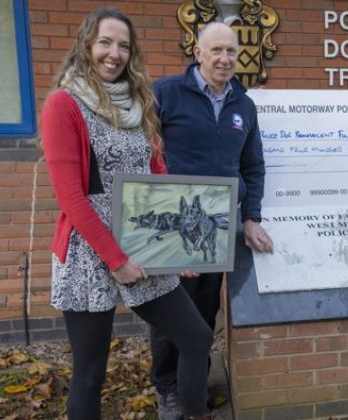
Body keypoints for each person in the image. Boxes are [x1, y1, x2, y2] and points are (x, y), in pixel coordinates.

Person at [40, 7, 215, 420]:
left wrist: (177, 248)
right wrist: (114, 259)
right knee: (89, 372)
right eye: (105, 42)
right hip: (89, 249)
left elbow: (157, 174)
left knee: (196, 337)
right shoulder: (63, 105)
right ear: (87, 44)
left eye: (123, 45)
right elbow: (71, 197)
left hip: (143, 241)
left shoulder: (139, 103)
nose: (114, 53)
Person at [149, 21, 274, 419]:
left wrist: (251, 216)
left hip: (216, 226)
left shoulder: (244, 105)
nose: (224, 59)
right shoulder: (165, 93)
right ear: (198, 53)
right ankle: (167, 387)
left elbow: (252, 166)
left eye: (231, 52)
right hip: (175, 225)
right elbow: (143, 157)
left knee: (204, 310)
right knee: (170, 310)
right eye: (216, 50)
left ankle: (194, 384)